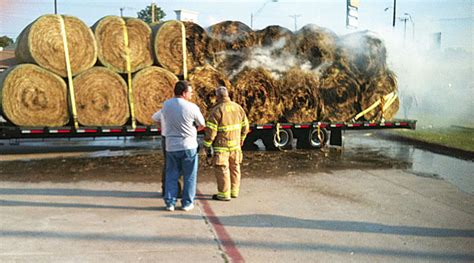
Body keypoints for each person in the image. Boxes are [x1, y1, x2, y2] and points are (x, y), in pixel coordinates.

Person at [154, 80, 205, 211]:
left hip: (171, 145)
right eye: (190, 92)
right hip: (188, 145)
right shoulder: (192, 107)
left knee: (171, 174)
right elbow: (202, 124)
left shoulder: (166, 105)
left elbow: (158, 119)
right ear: (184, 93)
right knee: (189, 176)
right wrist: (193, 130)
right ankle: (187, 203)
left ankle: (170, 202)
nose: (192, 94)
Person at [203, 86, 249, 201]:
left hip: (222, 147)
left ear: (218, 96)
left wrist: (207, 145)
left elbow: (211, 131)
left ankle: (224, 194)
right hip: (236, 147)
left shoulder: (217, 110)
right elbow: (245, 126)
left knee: (222, 169)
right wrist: (242, 138)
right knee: (235, 168)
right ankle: (234, 191)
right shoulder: (238, 108)